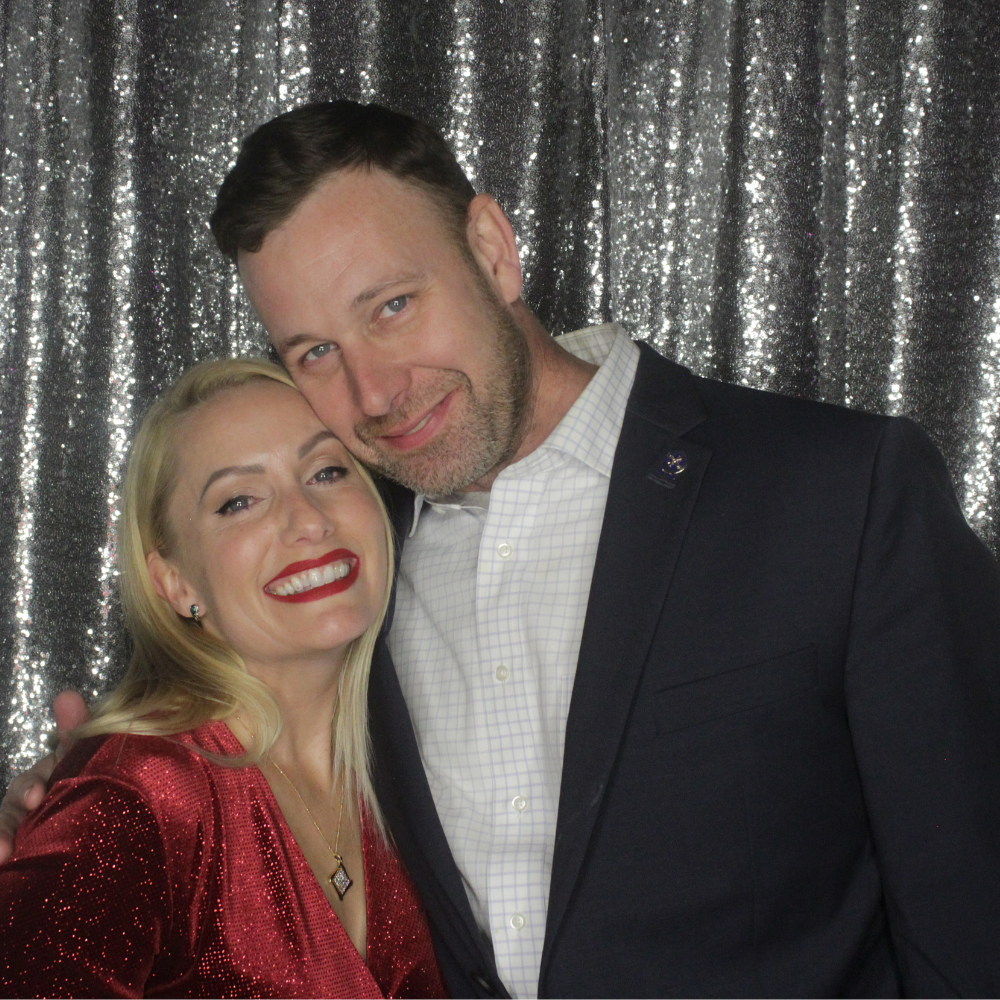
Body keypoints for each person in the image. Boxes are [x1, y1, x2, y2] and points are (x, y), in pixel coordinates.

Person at [3, 101, 1000, 998]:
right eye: (314, 353)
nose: (376, 392)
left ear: (491, 247)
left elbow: (973, 921)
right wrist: (76, 810)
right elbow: (207, 764)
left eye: (391, 306)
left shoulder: (836, 492)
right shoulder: (348, 564)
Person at [0, 358, 447, 998]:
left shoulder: (410, 770)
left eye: (327, 470)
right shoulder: (143, 792)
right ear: (176, 582)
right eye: (238, 502)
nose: (308, 519)